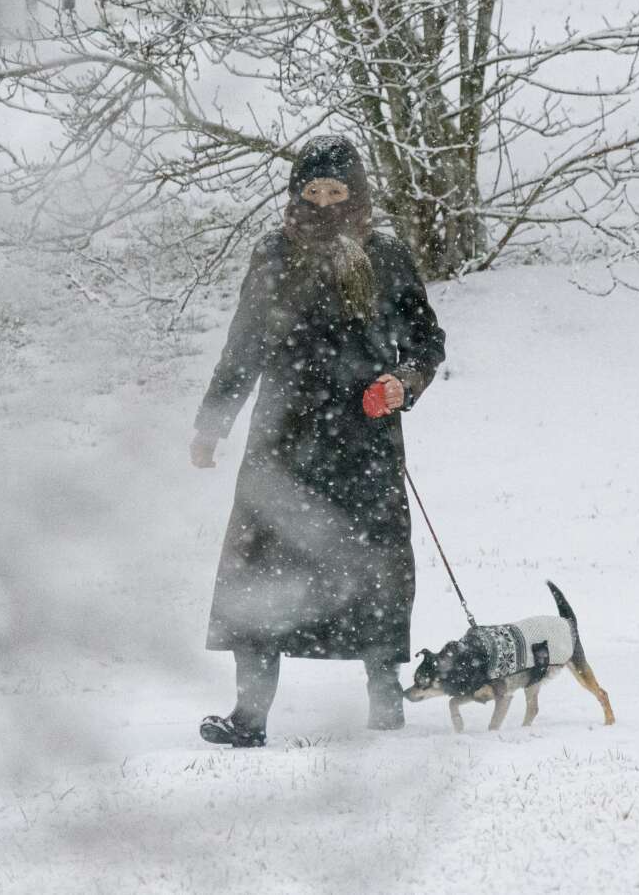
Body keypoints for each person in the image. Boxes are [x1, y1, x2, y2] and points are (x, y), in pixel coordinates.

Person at [189, 135, 447, 748]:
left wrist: (401, 384)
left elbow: (426, 341)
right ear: (296, 194)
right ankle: (249, 718)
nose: (325, 202)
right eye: (313, 191)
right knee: (258, 573)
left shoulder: (384, 254)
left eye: (337, 191)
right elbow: (244, 346)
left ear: (355, 194)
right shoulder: (273, 254)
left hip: (363, 438)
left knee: (373, 573)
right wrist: (212, 423)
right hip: (282, 439)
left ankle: (385, 709)